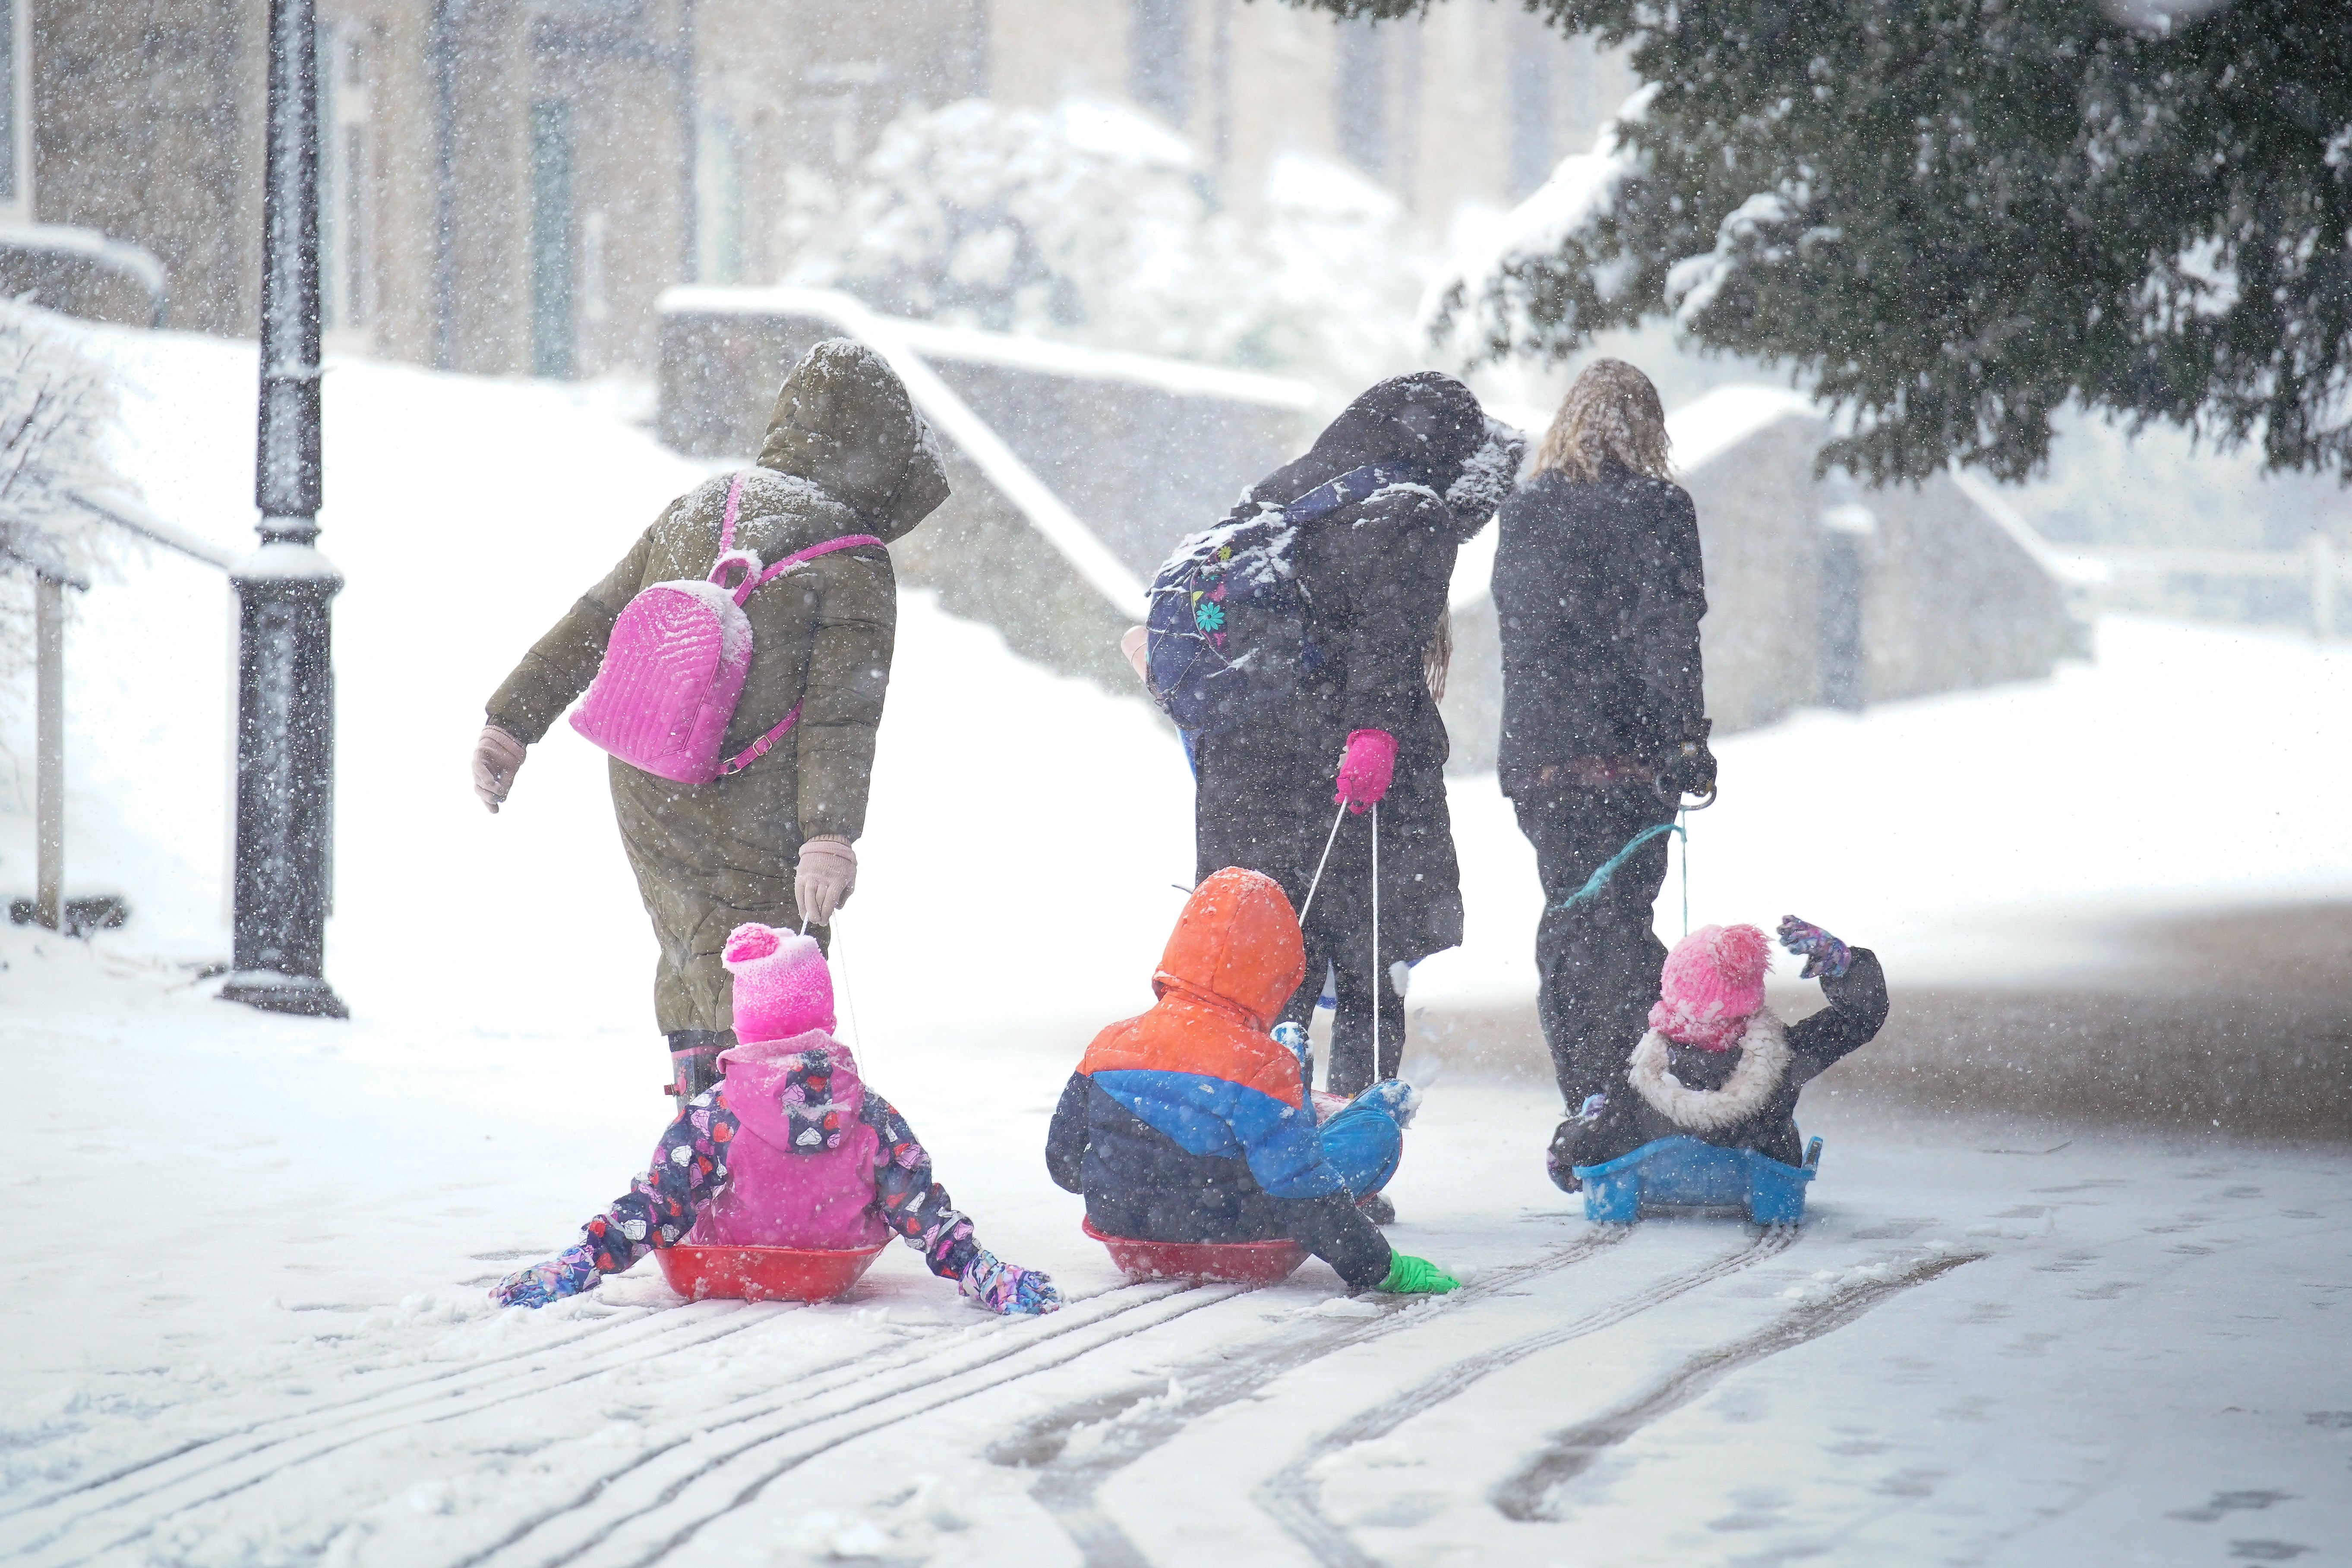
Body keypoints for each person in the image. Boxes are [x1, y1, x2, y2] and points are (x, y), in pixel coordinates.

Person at [470, 340, 949, 1104]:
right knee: (771, 976)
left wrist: (512, 720)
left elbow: (598, 616)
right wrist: (829, 835)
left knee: (692, 953)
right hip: (756, 795)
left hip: (649, 769)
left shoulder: (703, 503)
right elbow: (840, 715)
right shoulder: (851, 556)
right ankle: (764, 1162)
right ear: (879, 450)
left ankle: (703, 1144)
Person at [1191, 372, 1522, 1135]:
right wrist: (1373, 731)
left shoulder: (1281, 495)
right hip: (1345, 780)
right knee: (1373, 972)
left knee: (1271, 969)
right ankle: (1347, 1156)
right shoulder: (1411, 509)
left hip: (1246, 772)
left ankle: (1261, 1143)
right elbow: (1386, 643)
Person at [493, 923, 1058, 1314]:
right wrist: (982, 1269)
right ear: (827, 1016)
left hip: (732, 1257)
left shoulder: (716, 1116)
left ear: (744, 1024)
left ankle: (578, 1267)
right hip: (831, 1264)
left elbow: (657, 1208)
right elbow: (921, 1212)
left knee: (677, 1196)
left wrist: (580, 1260)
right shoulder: (868, 1113)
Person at [1490, 358, 1716, 1178]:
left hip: (1545, 762)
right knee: (1624, 922)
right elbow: (1670, 633)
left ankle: (1585, 1096)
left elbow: (1521, 638)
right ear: (1648, 428)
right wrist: (1683, 737)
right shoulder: (1660, 509)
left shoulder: (1525, 512)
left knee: (1570, 923)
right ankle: (1636, 1090)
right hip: (1633, 759)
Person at [1045, 868, 1458, 1297]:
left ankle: (1292, 1105)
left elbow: (1062, 1163)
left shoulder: (1108, 1044)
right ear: (1275, 971)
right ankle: (1357, 1112)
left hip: (1122, 1225)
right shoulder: (1259, 1068)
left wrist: (1137, 1180)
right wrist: (1379, 1269)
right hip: (1235, 1232)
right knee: (1372, 1135)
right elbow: (1304, 1199)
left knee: (1258, 1128)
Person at [1549, 918, 1888, 1185]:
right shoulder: (1783, 1058)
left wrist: (1568, 1141)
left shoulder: (1636, 1069)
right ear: (1749, 996)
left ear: (1671, 988)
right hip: (1759, 1188)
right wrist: (1845, 966)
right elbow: (1859, 1020)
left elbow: (1584, 1148)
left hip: (1661, 1199)